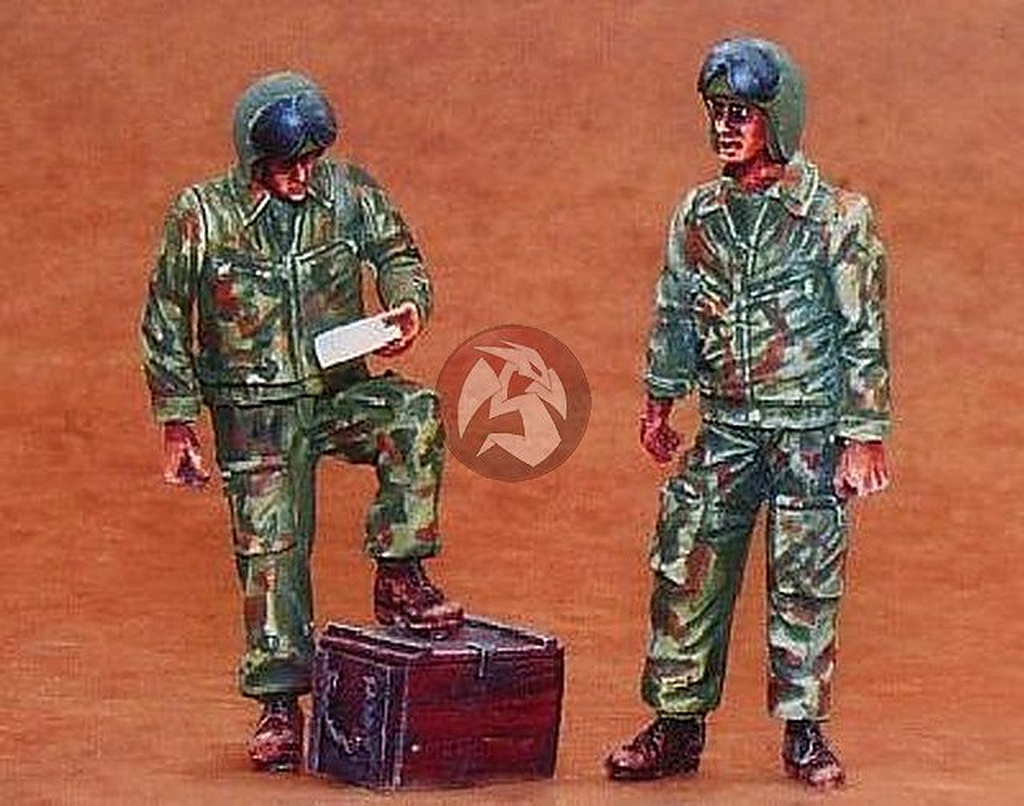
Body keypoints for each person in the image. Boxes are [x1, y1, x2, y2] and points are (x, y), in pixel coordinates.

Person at [141, 72, 463, 772]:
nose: (302, 176)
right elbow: (166, 316)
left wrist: (408, 305)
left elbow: (398, 254)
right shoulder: (203, 215)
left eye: (311, 160)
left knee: (412, 416)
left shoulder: (348, 194)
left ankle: (400, 572)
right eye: (286, 165)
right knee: (272, 550)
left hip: (339, 389)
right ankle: (281, 705)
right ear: (254, 160)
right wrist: (177, 422)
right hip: (253, 411)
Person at [605, 38, 891, 789]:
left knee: (804, 579)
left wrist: (863, 434)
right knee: (687, 562)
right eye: (718, 112)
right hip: (727, 424)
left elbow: (863, 330)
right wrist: (659, 398)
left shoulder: (835, 218)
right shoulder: (700, 215)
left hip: (808, 430)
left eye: (742, 113)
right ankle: (676, 722)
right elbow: (675, 310)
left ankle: (804, 729)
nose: (725, 127)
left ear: (779, 118)